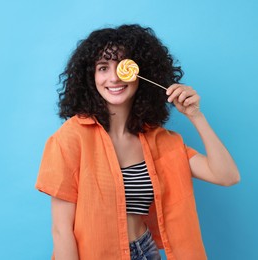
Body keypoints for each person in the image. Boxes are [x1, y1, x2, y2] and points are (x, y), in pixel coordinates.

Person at [35, 24, 240, 260]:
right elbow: (61, 231)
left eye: (122, 67)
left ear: (140, 73)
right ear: (91, 78)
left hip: (146, 251)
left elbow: (227, 176)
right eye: (103, 68)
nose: (113, 77)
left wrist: (196, 115)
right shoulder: (71, 138)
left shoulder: (161, 141)